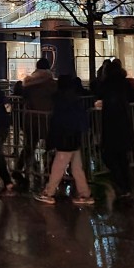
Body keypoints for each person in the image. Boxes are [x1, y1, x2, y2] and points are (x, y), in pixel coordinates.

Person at [36, 76, 94, 206]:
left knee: (58, 166)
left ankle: (49, 193)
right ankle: (85, 194)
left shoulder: (61, 100)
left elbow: (58, 121)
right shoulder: (75, 99)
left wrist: (52, 138)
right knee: (77, 168)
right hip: (75, 137)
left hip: (65, 138)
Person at [13, 58, 57, 188]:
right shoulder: (51, 84)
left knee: (29, 146)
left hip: (30, 119)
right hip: (47, 118)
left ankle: (18, 168)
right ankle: (49, 172)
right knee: (51, 145)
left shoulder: (28, 83)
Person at [97, 59, 134, 200]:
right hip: (124, 123)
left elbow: (100, 95)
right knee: (123, 158)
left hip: (111, 124)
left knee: (111, 156)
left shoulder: (107, 84)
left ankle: (120, 184)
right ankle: (126, 186)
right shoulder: (125, 83)